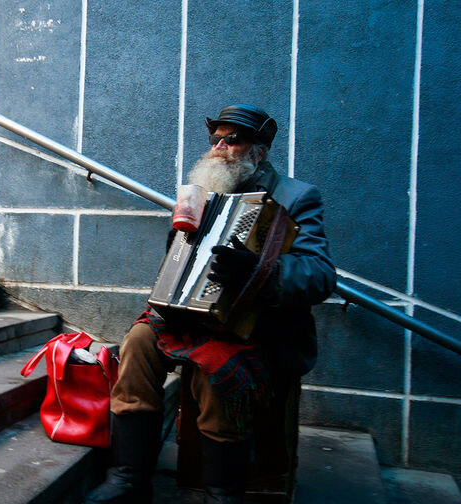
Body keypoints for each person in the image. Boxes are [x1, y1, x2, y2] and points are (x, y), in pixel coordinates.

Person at [85, 104, 336, 504]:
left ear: (259, 150)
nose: (218, 148)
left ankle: (223, 494)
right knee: (136, 344)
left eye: (231, 140)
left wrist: (260, 272)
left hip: (257, 327)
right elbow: (182, 266)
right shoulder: (204, 193)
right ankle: (128, 479)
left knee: (216, 366)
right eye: (215, 139)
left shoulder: (296, 196)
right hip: (192, 317)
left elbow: (320, 274)